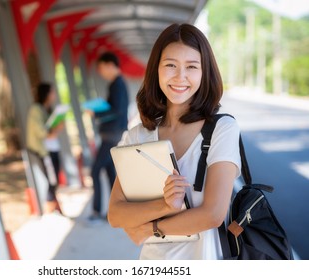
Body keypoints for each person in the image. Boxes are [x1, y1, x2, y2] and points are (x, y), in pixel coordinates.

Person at [107, 23, 241, 259]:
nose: (180, 77)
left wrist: (149, 227)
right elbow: (116, 214)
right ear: (156, 69)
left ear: (204, 72)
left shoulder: (222, 129)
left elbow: (212, 214)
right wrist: (164, 206)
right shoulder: (138, 135)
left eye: (191, 66)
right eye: (170, 65)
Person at [88, 51, 130, 222]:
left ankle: (98, 211)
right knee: (109, 172)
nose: (100, 72)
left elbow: (117, 110)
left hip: (112, 134)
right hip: (113, 133)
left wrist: (96, 113)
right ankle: (117, 211)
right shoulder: (117, 83)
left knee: (95, 170)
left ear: (110, 65)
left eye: (101, 68)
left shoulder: (117, 84)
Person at [26, 82, 64, 214]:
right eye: (52, 92)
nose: (54, 95)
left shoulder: (46, 108)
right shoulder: (36, 109)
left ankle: (55, 206)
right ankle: (51, 208)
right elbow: (42, 132)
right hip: (44, 151)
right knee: (51, 179)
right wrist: (54, 130)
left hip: (52, 149)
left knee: (54, 178)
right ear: (46, 94)